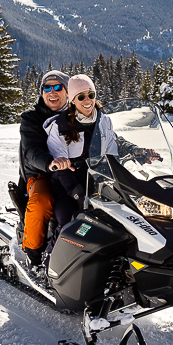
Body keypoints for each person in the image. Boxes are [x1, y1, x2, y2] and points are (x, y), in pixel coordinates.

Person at [45, 74, 118, 234]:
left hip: (97, 184)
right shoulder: (60, 126)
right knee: (69, 223)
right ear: (72, 100)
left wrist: (141, 154)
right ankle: (50, 257)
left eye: (91, 95)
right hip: (67, 187)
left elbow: (114, 150)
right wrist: (76, 193)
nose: (87, 100)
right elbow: (60, 167)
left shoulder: (104, 121)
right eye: (81, 96)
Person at [18, 70, 69, 268]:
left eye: (58, 87)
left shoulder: (76, 114)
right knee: (42, 201)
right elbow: (31, 151)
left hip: (74, 173)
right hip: (41, 174)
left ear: (67, 92)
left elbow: (103, 136)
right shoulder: (31, 118)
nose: (52, 92)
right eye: (47, 88)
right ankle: (34, 254)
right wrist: (50, 162)